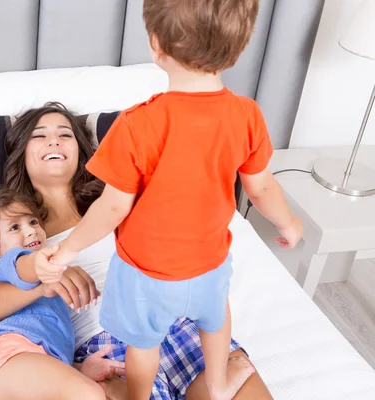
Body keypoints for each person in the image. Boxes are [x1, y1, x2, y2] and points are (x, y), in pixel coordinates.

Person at [43, 1, 303, 399]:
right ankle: (217, 385)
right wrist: (287, 223)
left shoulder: (137, 124)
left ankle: (138, 395)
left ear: (156, 45)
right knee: (215, 321)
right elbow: (261, 187)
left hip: (146, 274)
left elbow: (114, 207)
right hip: (209, 264)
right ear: (241, 45)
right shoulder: (247, 115)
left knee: (143, 344)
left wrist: (67, 249)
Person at [0, 102, 274, 400]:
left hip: (176, 323)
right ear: (21, 153)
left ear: (81, 151)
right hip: (103, 349)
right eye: (40, 135)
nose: (54, 140)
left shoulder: (121, 204)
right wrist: (46, 275)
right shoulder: (9, 229)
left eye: (65, 135)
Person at [0, 187, 119, 399]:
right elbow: (25, 265)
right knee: (90, 395)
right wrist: (43, 266)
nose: (32, 230)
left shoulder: (51, 291)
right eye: (15, 227)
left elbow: (48, 342)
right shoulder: (8, 262)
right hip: (11, 355)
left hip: (37, 365)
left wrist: (78, 369)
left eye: (33, 222)